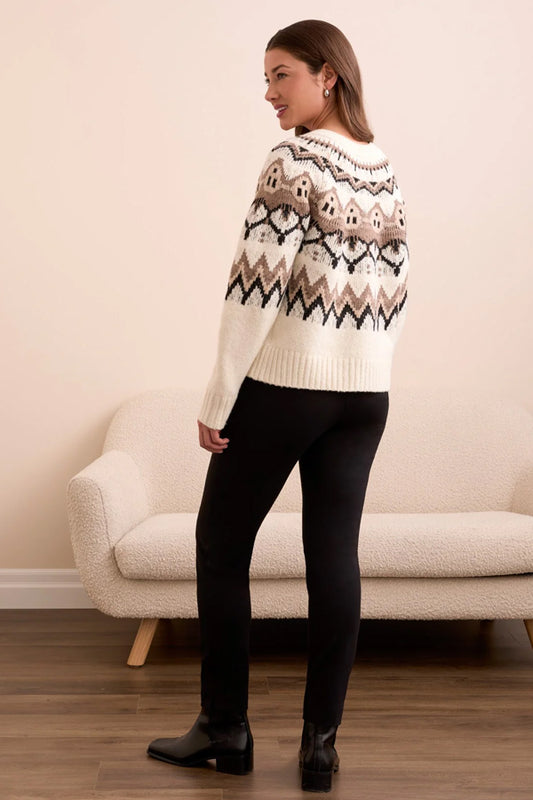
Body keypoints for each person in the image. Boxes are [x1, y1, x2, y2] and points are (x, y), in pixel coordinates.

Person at [147, 18, 409, 794]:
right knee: (333, 558)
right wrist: (368, 369)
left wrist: (219, 394)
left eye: (281, 74)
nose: (268, 93)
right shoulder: (382, 169)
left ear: (328, 75)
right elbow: (396, 292)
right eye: (265, 78)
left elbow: (252, 289)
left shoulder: (293, 159)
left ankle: (225, 729)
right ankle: (319, 746)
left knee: (220, 546)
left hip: (286, 388)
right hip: (364, 395)